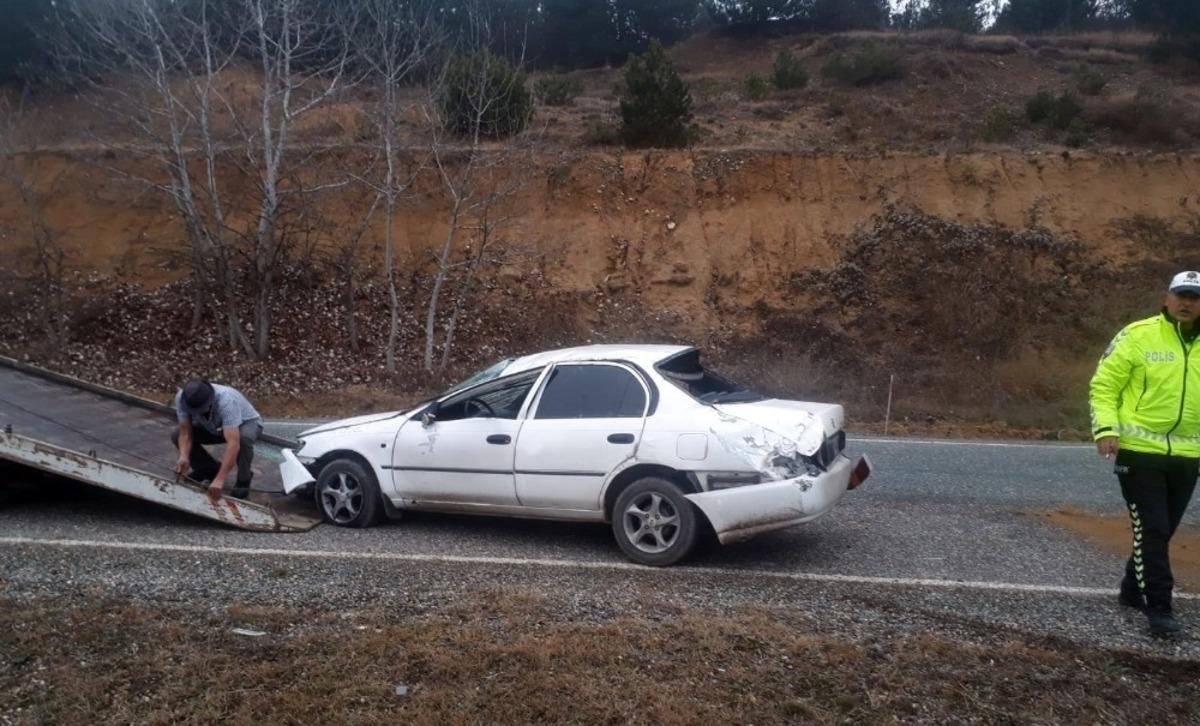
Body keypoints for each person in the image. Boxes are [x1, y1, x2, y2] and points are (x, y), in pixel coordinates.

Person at [1089, 271, 1200, 637]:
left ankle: (1131, 588)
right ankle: (1160, 609)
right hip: (1138, 454)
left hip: (1188, 455)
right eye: (1181, 295)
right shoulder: (1137, 335)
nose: (1187, 303)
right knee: (1151, 528)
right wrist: (1106, 429)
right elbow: (1104, 385)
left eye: (1195, 297)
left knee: (1161, 530)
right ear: (1167, 297)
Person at [172, 379, 263, 500]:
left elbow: (233, 445)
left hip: (246, 423)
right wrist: (184, 456)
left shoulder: (226, 402)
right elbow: (185, 432)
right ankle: (209, 469)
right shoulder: (181, 398)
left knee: (243, 439)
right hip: (214, 426)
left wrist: (220, 480)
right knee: (176, 434)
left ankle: (243, 481)